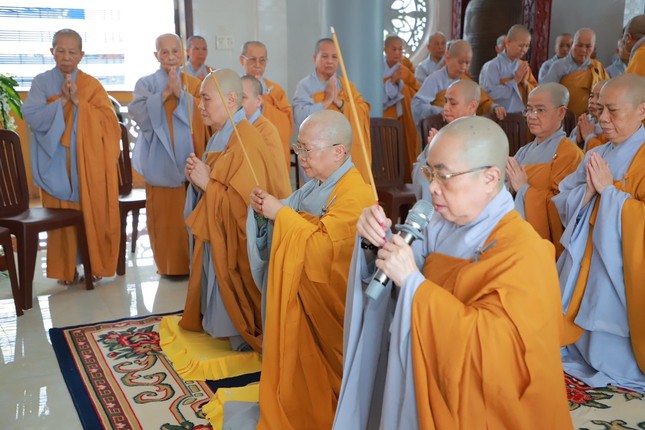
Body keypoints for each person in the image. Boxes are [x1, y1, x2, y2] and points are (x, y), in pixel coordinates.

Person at [333, 115, 572, 429]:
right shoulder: (436, 223)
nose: (432, 187)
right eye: (430, 173)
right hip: (423, 387)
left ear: (490, 178)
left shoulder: (525, 253)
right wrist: (373, 244)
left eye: (444, 176)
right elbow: (397, 289)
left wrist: (414, 285)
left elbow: (497, 361)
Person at [221, 110, 373, 429]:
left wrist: (281, 215)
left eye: (307, 149)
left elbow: (323, 250)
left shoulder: (355, 193)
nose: (300, 156)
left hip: (330, 309)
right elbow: (289, 212)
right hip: (304, 300)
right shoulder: (317, 186)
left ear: (338, 152)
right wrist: (264, 210)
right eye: (298, 147)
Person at [177, 69, 291, 352]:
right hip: (218, 231)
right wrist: (199, 181)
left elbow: (247, 211)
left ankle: (237, 329)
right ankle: (219, 322)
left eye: (206, 99)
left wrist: (208, 184)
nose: (200, 106)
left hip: (236, 243)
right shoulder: (221, 136)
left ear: (230, 100)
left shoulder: (246, 140)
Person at [554, 73, 645, 392]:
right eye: (600, 109)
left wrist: (610, 194)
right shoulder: (599, 153)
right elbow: (565, 195)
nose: (603, 118)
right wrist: (589, 194)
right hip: (588, 253)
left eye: (613, 111)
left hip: (623, 263)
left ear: (642, 110)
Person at [23, 28, 120, 284]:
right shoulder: (41, 82)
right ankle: (66, 269)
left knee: (91, 212)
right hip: (54, 161)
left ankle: (93, 264)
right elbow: (31, 116)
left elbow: (110, 124)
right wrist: (63, 103)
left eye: (72, 52)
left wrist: (79, 103)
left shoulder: (91, 85)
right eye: (61, 51)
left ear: (81, 55)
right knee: (60, 215)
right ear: (52, 51)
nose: (66, 57)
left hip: (86, 162)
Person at [129, 33, 208, 276]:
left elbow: (206, 114)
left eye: (175, 52)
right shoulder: (145, 84)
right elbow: (138, 114)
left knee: (192, 214)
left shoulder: (193, 85)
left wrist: (182, 96)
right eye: (165, 52)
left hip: (190, 159)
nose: (171, 57)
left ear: (183, 54)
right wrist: (164, 95)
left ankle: (194, 265)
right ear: (156, 55)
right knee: (164, 218)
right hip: (159, 161)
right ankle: (169, 266)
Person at [506, 83, 583, 258]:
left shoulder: (570, 155)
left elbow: (565, 210)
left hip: (545, 246)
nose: (531, 116)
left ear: (561, 113)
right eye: (529, 110)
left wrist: (524, 189)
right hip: (516, 234)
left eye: (540, 110)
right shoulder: (523, 151)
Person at [293, 38, 372, 184]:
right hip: (317, 152)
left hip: (342, 152)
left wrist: (339, 102)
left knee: (346, 190)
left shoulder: (346, 86)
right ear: (315, 58)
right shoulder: (305, 86)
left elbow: (363, 110)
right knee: (317, 192)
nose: (330, 61)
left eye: (334, 57)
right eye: (325, 56)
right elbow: (299, 117)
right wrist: (326, 101)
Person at [411, 79, 479, 201]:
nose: (445, 108)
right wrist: (432, 153)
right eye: (445, 101)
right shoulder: (442, 134)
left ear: (472, 106)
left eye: (453, 103)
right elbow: (419, 170)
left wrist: (439, 155)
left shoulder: (482, 137)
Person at [411, 39, 505, 126]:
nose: (464, 67)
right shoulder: (435, 79)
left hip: (463, 129)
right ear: (448, 58)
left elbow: (481, 102)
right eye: (460, 62)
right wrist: (439, 111)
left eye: (467, 63)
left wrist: (494, 107)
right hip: (440, 129)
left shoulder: (466, 81)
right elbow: (417, 105)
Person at [240, 41, 293, 169]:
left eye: (262, 60)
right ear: (242, 60)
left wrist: (264, 104)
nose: (258, 65)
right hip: (244, 152)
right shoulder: (234, 88)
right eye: (252, 60)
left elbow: (287, 125)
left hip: (271, 153)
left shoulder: (276, 91)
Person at [542, 28, 609, 117]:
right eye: (579, 45)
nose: (583, 50)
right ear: (572, 44)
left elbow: (608, 94)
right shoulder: (558, 67)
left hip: (592, 120)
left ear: (594, 48)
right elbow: (546, 95)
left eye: (588, 46)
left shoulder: (597, 67)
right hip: (564, 119)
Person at [383, 35, 421, 181]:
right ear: (385, 50)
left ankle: (404, 180)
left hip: (404, 117)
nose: (397, 53)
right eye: (394, 49)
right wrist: (392, 82)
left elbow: (417, 91)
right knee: (387, 153)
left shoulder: (404, 70)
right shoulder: (377, 69)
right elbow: (376, 96)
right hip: (384, 118)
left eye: (400, 49)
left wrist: (404, 89)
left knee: (403, 151)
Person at [480, 24, 538, 113]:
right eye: (521, 45)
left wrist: (525, 83)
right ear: (507, 43)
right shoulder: (493, 66)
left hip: (521, 115)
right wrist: (515, 81)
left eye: (527, 46)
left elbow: (536, 92)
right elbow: (488, 94)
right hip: (499, 115)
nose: (524, 50)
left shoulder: (523, 66)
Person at [241, 75, 289, 172]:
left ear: (259, 101)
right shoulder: (236, 126)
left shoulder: (266, 131)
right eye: (234, 97)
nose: (237, 102)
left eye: (243, 97)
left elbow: (271, 172)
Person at [569, 79, 608, 151]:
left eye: (599, 97)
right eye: (591, 96)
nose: (592, 101)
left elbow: (606, 155)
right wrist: (577, 140)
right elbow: (567, 149)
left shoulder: (611, 128)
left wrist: (589, 136)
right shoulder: (586, 121)